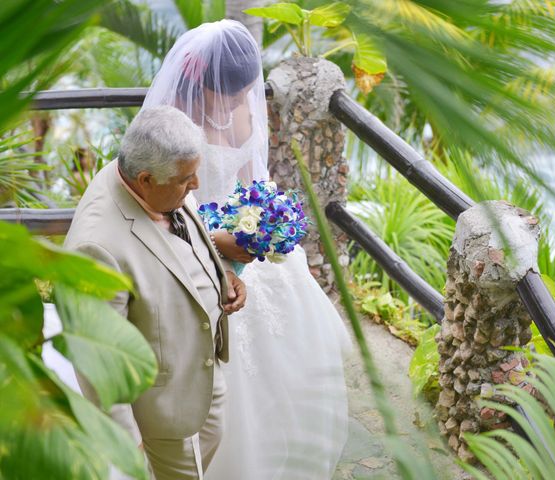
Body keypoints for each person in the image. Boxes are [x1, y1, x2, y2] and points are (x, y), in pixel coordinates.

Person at [142, 20, 351, 479]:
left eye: (244, 92)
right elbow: (163, 203)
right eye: (229, 94)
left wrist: (260, 228)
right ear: (201, 82)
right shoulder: (172, 121)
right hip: (188, 239)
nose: (239, 101)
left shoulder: (244, 109)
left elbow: (249, 180)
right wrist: (213, 241)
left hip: (241, 235)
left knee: (289, 315)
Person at [64, 105, 247, 480]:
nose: (195, 186)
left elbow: (180, 243)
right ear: (145, 179)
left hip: (199, 375)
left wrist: (222, 274)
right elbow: (96, 358)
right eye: (186, 180)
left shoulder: (152, 176)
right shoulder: (97, 247)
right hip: (163, 407)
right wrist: (128, 439)